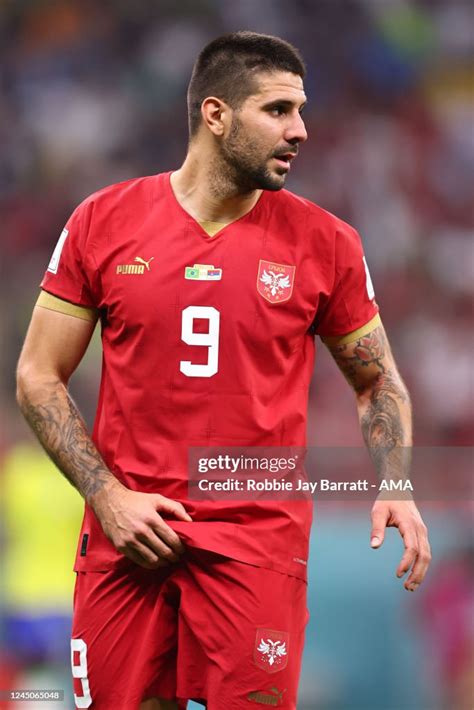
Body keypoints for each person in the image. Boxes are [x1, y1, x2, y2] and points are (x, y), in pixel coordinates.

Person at [16, 31, 431, 710]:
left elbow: (377, 379)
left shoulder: (327, 244)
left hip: (255, 543)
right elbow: (37, 375)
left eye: (300, 110)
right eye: (277, 110)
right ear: (216, 114)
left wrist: (396, 482)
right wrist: (109, 498)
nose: (299, 130)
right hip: (129, 539)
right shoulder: (102, 222)